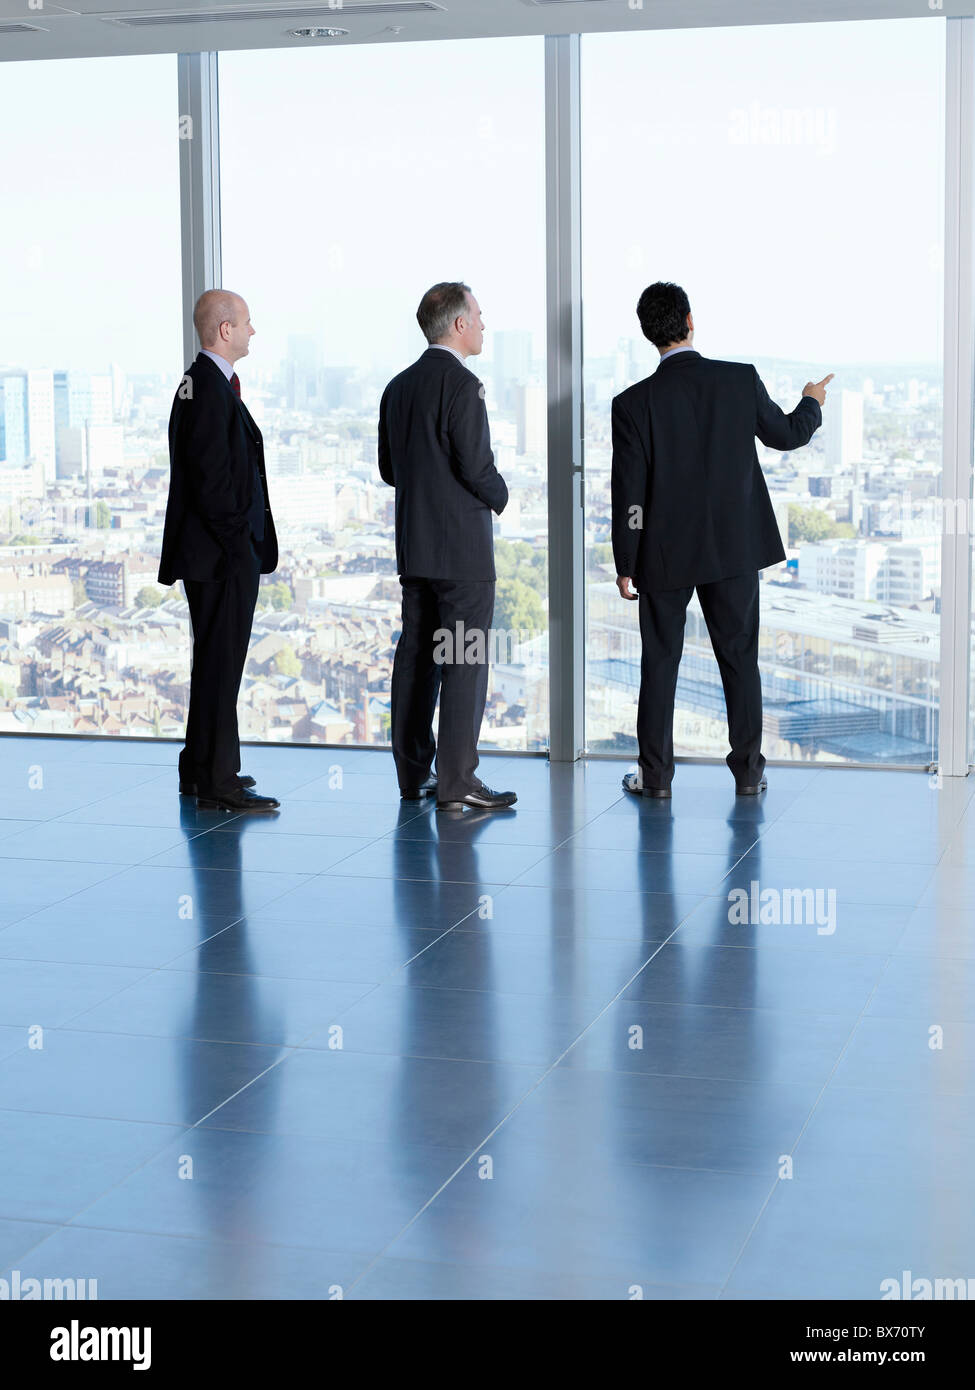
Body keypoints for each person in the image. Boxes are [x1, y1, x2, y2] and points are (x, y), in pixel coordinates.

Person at [611, 280, 831, 798]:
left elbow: (630, 496)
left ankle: (657, 780)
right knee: (739, 659)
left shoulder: (633, 403)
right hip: (733, 550)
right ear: (690, 321)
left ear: (650, 334)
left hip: (662, 555)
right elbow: (787, 435)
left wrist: (627, 560)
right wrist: (811, 401)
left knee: (660, 664)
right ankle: (749, 774)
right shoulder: (738, 381)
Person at [379, 282, 516, 812]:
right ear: (458, 324)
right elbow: (476, 466)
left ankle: (414, 777)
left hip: (415, 549)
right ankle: (458, 783)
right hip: (462, 555)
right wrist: (504, 498)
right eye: (478, 316)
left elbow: (391, 469)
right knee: (463, 661)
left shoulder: (397, 387)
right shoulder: (463, 385)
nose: (483, 324)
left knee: (417, 658)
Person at [158, 289, 280, 812]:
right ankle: (218, 781)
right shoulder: (207, 388)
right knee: (220, 665)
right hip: (220, 557)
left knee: (212, 661)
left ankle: (201, 766)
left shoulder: (201, 383)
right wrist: (239, 549)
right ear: (224, 330)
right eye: (248, 323)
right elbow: (212, 483)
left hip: (212, 554)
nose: (254, 331)